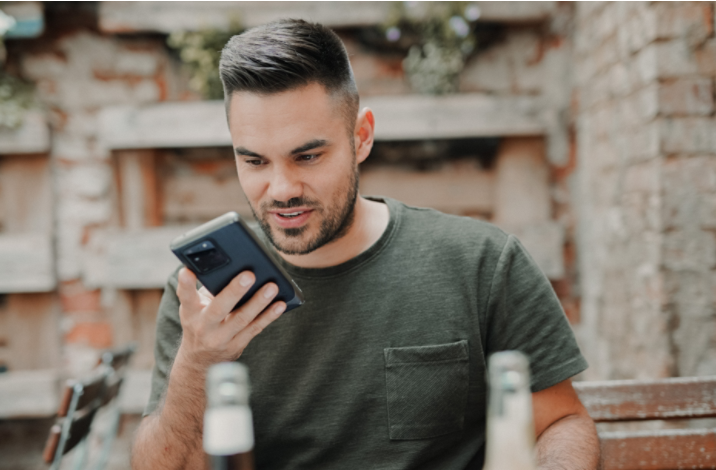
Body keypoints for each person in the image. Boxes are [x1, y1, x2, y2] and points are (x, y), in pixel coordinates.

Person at [132, 19, 599, 470]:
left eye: (308, 156)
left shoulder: (481, 264)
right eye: (254, 160)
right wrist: (196, 365)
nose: (280, 188)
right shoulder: (202, 299)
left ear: (361, 137)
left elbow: (560, 422)